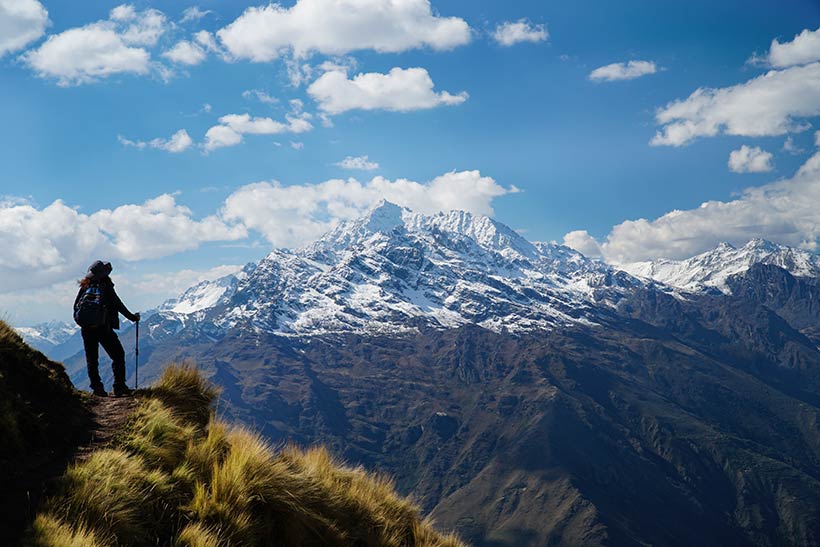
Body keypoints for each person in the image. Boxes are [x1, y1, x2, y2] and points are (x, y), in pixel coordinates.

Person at [74, 260, 140, 397]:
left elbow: (75, 307)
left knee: (92, 359)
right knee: (118, 355)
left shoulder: (85, 286)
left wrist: (83, 322)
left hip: (86, 329)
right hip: (103, 327)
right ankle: (119, 386)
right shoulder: (106, 286)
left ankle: (97, 388)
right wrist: (132, 317)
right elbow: (118, 304)